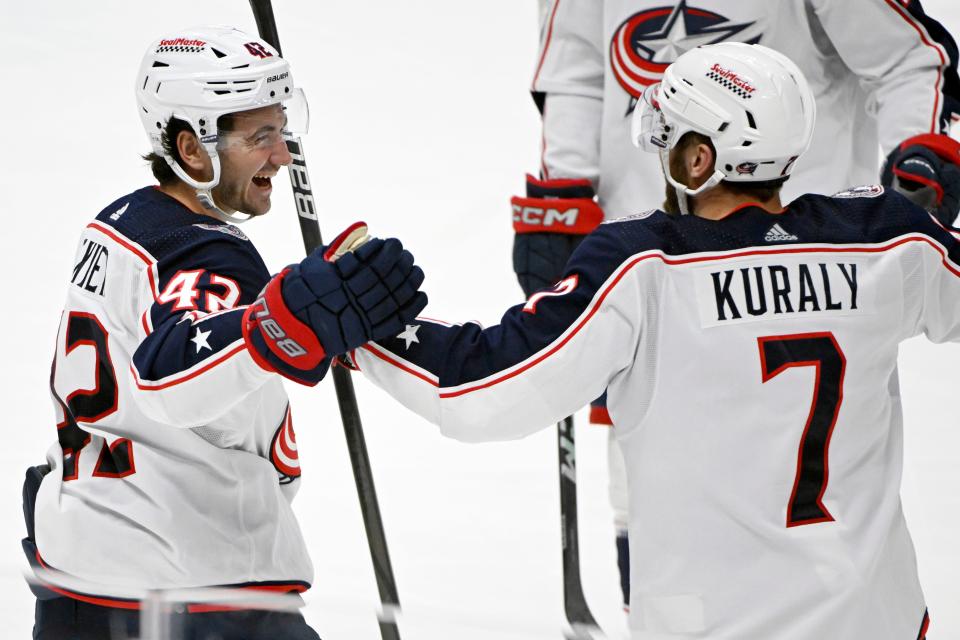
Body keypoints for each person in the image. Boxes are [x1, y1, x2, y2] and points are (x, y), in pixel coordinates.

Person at [351, 43, 959, 638]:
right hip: (880, 620)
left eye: (670, 134)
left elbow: (479, 390)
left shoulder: (643, 266)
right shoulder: (887, 241)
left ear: (698, 160)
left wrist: (361, 325)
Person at [512, 0, 960, 606]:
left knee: (787, 489)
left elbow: (910, 58)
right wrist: (561, 190)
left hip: (803, 260)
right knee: (652, 484)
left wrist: (921, 156)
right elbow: (577, 66)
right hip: (646, 252)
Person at [23, 26, 426, 640]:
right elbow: (170, 375)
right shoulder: (207, 254)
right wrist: (284, 323)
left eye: (282, 130)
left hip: (81, 574)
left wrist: (306, 324)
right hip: (193, 583)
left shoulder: (121, 223)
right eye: (259, 137)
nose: (282, 155)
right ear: (191, 149)